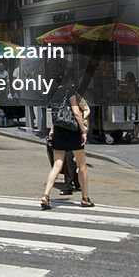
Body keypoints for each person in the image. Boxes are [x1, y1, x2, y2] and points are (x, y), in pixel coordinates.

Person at [41, 73, 94, 209]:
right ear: (70, 80)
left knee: (57, 165)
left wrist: (52, 129)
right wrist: (83, 130)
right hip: (72, 131)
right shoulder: (70, 93)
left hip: (59, 130)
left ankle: (46, 195)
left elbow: (56, 114)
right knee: (82, 165)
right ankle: (85, 198)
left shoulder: (54, 93)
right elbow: (76, 113)